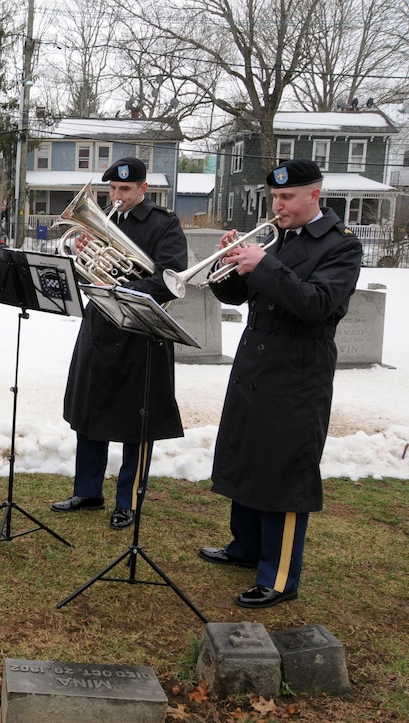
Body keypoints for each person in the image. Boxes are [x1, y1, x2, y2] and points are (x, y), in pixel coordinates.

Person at [198, 159, 361, 608]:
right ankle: (245, 547)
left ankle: (280, 575)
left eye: (287, 198)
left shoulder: (341, 246)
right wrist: (232, 263)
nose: (278, 205)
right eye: (274, 197)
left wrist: (264, 264)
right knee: (248, 455)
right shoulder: (278, 238)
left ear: (315, 195)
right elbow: (237, 295)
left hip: (298, 371)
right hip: (256, 363)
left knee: (284, 470)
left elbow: (317, 304)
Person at [51, 157, 188, 530]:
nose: (117, 196)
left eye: (124, 189)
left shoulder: (165, 224)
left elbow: (170, 279)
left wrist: (122, 285)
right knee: (90, 411)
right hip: (100, 327)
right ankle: (87, 490)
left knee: (137, 420)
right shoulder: (106, 222)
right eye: (112, 189)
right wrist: (81, 254)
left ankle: (127, 501)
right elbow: (90, 272)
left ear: (143, 188)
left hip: (141, 333)